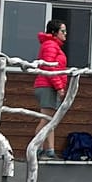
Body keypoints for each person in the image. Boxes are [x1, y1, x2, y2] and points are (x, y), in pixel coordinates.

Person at [33, 20, 69, 158]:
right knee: (46, 119)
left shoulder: (53, 45)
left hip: (49, 86)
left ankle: (50, 151)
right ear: (54, 32)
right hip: (47, 86)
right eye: (62, 31)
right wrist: (59, 87)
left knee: (50, 119)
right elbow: (49, 67)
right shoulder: (50, 45)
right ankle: (37, 149)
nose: (65, 34)